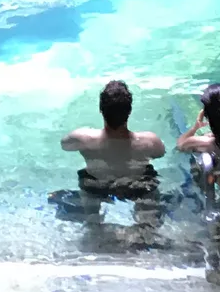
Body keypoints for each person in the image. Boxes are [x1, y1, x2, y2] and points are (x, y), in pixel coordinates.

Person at [59, 79, 165, 219]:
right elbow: (160, 153)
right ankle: (147, 226)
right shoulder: (149, 141)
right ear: (130, 110)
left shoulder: (83, 139)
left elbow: (64, 145)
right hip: (136, 185)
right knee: (149, 182)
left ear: (100, 110)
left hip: (98, 186)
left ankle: (93, 221)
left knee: (87, 181)